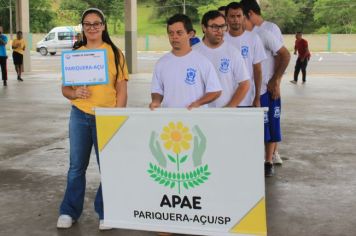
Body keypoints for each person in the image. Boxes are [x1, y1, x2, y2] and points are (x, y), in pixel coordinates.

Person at [57, 8, 129, 230]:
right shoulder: (75, 53)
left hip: (106, 116)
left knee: (107, 166)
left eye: (96, 23)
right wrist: (75, 93)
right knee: (76, 166)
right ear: (83, 28)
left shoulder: (115, 54)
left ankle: (106, 212)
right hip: (79, 115)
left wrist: (116, 115)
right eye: (87, 24)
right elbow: (65, 89)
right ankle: (69, 211)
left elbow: (122, 89)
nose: (92, 27)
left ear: (103, 26)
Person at [241, 0, 291, 176]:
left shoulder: (268, 30)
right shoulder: (243, 35)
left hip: (266, 88)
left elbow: (282, 56)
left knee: (270, 126)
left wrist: (276, 81)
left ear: (248, 14)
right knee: (257, 127)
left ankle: (269, 158)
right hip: (249, 90)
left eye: (239, 16)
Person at [150, 13, 222, 110]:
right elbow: (157, 90)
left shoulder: (202, 62)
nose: (174, 37)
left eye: (179, 33)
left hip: (196, 120)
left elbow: (215, 91)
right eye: (171, 33)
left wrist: (198, 103)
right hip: (170, 121)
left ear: (190, 34)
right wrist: (156, 101)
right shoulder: (161, 63)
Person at [193, 10, 250, 108]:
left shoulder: (233, 52)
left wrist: (230, 107)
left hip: (225, 114)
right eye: (214, 27)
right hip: (199, 113)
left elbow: (244, 83)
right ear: (204, 28)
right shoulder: (193, 53)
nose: (219, 31)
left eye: (223, 26)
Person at [224, 2, 266, 107]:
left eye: (238, 16)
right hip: (224, 100)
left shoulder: (253, 38)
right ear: (226, 18)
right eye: (232, 16)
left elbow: (257, 70)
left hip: (247, 99)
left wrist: (257, 97)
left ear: (244, 17)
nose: (235, 19)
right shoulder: (221, 39)